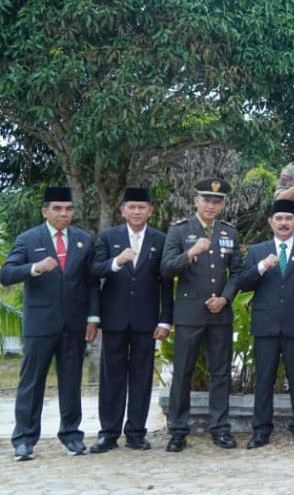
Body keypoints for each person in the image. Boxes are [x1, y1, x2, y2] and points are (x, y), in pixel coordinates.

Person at [0, 186, 100, 461]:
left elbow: (91, 282)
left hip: (74, 324)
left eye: (68, 209)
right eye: (57, 209)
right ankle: (24, 440)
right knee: (31, 383)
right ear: (45, 211)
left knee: (71, 382)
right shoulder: (29, 239)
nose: (63, 214)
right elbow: (6, 274)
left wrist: (92, 318)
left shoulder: (83, 239)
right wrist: (35, 268)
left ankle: (71, 436)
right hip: (40, 324)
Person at [160, 178, 243, 452]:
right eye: (206, 200)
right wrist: (190, 253)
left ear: (222, 205)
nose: (211, 205)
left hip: (220, 313)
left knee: (220, 373)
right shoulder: (180, 230)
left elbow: (237, 272)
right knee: (182, 373)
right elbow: (166, 269)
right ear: (196, 200)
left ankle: (220, 429)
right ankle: (178, 431)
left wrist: (225, 298)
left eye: (217, 201)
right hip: (189, 313)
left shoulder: (229, 232)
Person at [233, 199, 294, 449]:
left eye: (288, 219)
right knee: (264, 380)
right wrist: (262, 267)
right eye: (279, 219)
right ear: (270, 222)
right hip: (266, 325)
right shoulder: (257, 251)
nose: (283, 223)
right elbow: (243, 283)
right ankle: (261, 430)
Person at [88, 187, 170, 453]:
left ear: (150, 211)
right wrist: (117, 262)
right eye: (131, 207)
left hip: (146, 320)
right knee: (111, 378)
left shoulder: (160, 239)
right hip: (114, 318)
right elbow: (94, 269)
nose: (136, 211)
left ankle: (136, 432)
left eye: (141, 207)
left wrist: (165, 320)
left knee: (141, 378)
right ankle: (108, 433)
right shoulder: (108, 236)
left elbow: (166, 283)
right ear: (122, 210)